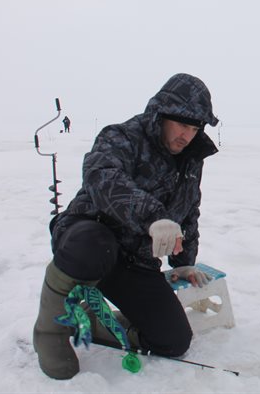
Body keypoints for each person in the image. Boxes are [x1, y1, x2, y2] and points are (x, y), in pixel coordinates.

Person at [33, 73, 219, 380]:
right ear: (161, 115)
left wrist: (184, 263)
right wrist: (153, 217)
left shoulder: (190, 159)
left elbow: (190, 210)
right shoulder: (122, 137)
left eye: (195, 127)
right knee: (94, 244)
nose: (188, 135)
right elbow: (101, 176)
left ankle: (90, 321)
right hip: (87, 238)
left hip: (133, 259)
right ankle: (49, 332)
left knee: (172, 340)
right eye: (183, 125)